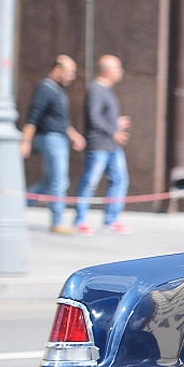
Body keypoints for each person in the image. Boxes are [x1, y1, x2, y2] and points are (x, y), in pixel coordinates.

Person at [19, 55, 86, 233]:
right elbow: (33, 116)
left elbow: (60, 121)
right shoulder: (45, 88)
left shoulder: (58, 90)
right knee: (59, 180)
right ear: (57, 69)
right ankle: (57, 221)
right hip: (50, 138)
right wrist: (25, 141)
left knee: (50, 182)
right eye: (69, 72)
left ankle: (16, 207)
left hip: (58, 137)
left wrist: (73, 135)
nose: (71, 76)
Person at [73, 55, 131, 235]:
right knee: (90, 181)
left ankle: (111, 220)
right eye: (118, 68)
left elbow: (102, 117)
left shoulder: (107, 90)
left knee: (120, 179)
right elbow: (94, 117)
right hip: (99, 145)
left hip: (112, 146)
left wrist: (117, 124)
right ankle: (79, 220)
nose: (121, 72)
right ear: (107, 70)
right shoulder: (95, 89)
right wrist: (114, 131)